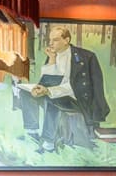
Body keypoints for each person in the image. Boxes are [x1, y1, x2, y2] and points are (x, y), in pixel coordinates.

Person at [18, 24, 108, 153]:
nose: (51, 43)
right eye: (50, 40)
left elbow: (76, 86)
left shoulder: (86, 57)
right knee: (27, 93)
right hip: (55, 92)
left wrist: (49, 91)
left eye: (55, 40)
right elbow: (47, 81)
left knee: (53, 100)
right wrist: (52, 60)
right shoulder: (52, 55)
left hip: (75, 98)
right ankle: (32, 131)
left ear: (67, 40)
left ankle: (48, 142)